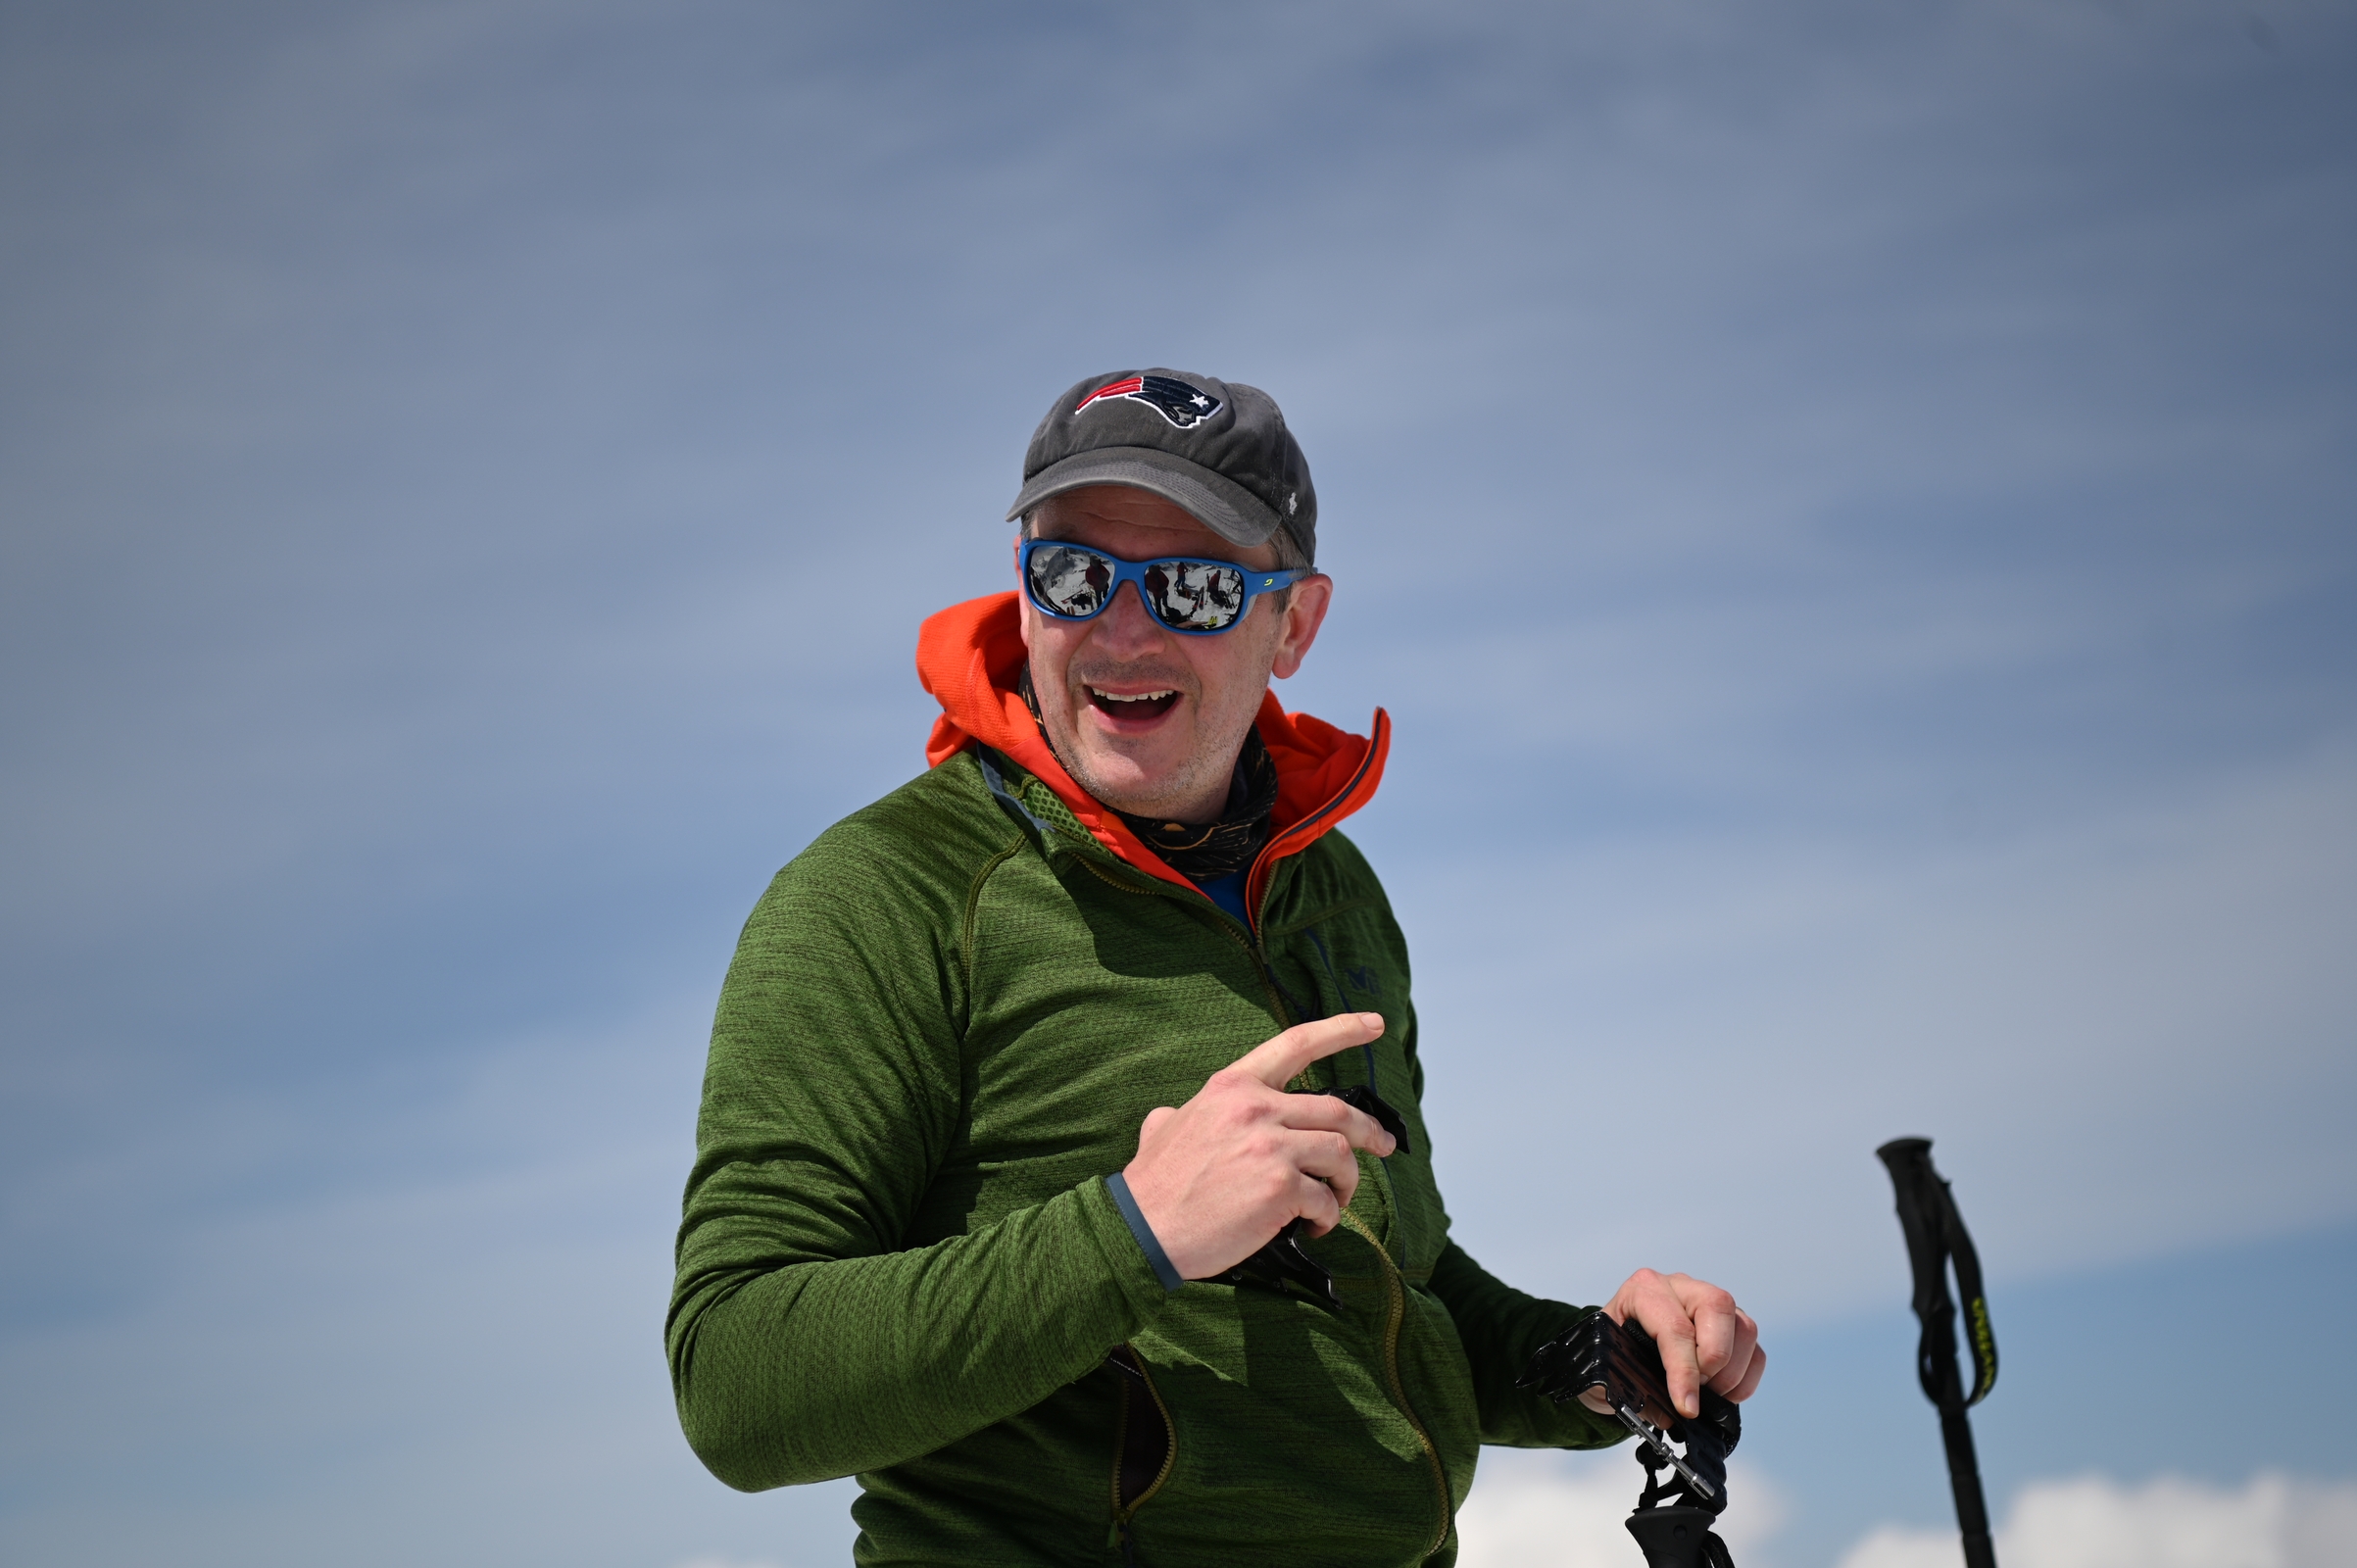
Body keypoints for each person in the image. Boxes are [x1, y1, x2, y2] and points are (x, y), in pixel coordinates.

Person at [667, 368, 1765, 1566]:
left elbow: (1396, 1275)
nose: (1122, 631)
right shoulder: (887, 893)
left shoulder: (1331, 892)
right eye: (1074, 575)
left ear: (1294, 625)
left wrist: (1588, 1361)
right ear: (1025, 592)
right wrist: (1133, 1231)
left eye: (1193, 587)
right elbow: (733, 1376)